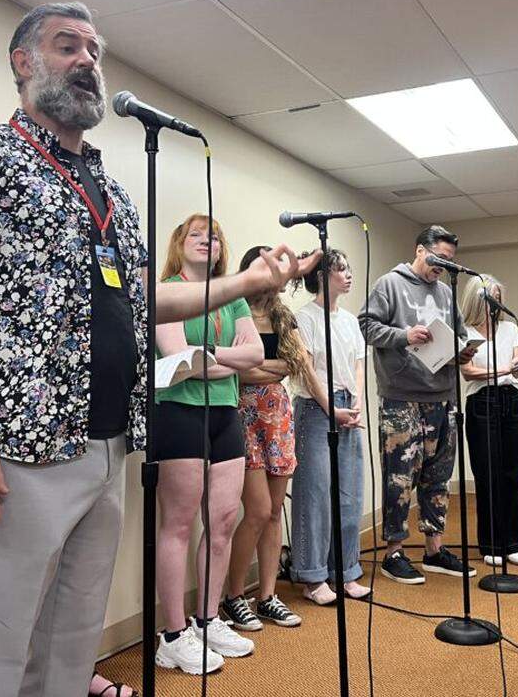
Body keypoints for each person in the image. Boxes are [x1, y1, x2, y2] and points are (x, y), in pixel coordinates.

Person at [0, 2, 316, 697]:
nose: (88, 60)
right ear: (22, 63)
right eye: (68, 46)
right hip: (17, 447)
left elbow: (147, 302)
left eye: (96, 50)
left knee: (69, 646)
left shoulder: (113, 194)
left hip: (108, 447)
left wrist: (247, 281)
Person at [153, 215, 262, 674]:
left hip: (224, 414)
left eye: (214, 236)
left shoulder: (232, 298)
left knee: (221, 523)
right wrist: (226, 359)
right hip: (177, 412)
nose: (206, 241)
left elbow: (256, 355)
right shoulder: (167, 292)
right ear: (180, 245)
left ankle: (208, 618)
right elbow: (178, 361)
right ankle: (173, 635)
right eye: (196, 235)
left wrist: (210, 360)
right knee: (178, 525)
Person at [358, 225, 477, 584]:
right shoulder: (389, 284)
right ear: (420, 250)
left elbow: (461, 333)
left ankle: (434, 551)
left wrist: (464, 348)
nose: (443, 265)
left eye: (450, 260)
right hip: (401, 396)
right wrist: (403, 335)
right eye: (439, 257)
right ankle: (393, 553)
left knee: (437, 477)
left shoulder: (445, 290)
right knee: (400, 478)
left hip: (442, 396)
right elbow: (365, 325)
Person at [221, 246, 311, 631]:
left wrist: (261, 367)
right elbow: (232, 371)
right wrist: (263, 370)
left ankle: (267, 596)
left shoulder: (282, 314)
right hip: (241, 416)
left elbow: (295, 363)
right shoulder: (231, 311)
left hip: (279, 416)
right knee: (256, 510)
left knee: (275, 512)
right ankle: (233, 597)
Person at [289, 249, 372, 604]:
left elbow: (357, 364)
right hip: (314, 407)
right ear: (321, 276)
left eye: (349, 268)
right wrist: (329, 407)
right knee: (315, 495)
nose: (349, 274)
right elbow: (305, 368)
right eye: (341, 268)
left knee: (350, 493)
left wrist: (357, 402)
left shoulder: (351, 320)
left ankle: (346, 571)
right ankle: (312, 577)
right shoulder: (303, 317)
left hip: (347, 406)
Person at [461, 274, 518, 568]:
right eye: (491, 298)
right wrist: (504, 368)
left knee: (513, 470)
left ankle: (513, 542)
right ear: (478, 301)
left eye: (499, 298)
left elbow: (516, 366)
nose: (497, 304)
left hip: (511, 399)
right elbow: (467, 371)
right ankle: (491, 543)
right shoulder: (465, 331)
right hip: (482, 402)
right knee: (487, 471)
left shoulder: (510, 327)